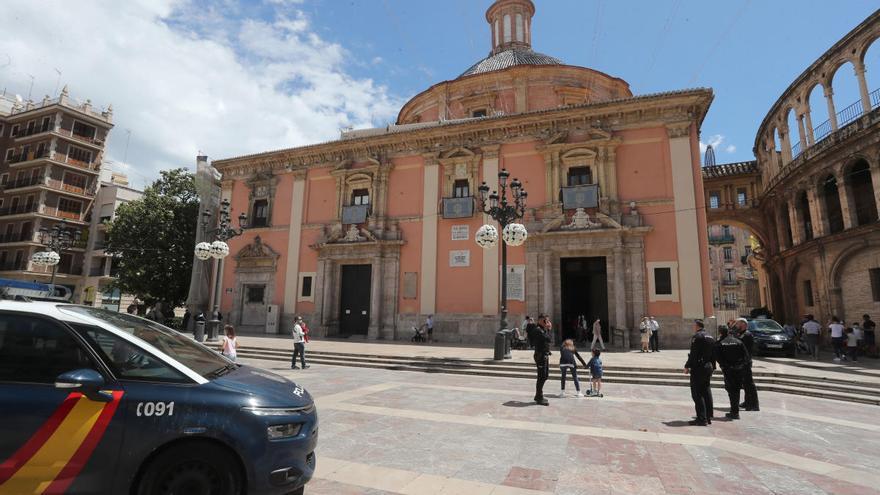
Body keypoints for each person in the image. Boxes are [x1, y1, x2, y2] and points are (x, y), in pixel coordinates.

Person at [714, 326, 750, 420]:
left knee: (731, 390)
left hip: (728, 371)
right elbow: (746, 356)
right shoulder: (738, 342)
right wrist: (741, 366)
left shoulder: (720, 343)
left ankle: (734, 412)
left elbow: (718, 357)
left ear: (721, 333)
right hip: (739, 370)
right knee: (736, 390)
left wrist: (725, 366)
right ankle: (735, 411)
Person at [684, 319, 715, 426]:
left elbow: (694, 354)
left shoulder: (697, 337)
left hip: (699, 367)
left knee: (697, 393)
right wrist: (713, 366)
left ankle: (701, 418)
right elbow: (713, 354)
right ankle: (709, 416)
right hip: (708, 366)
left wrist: (687, 365)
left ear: (697, 326)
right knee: (706, 391)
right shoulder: (710, 337)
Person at [526, 313, 552, 406]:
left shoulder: (541, 330)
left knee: (545, 376)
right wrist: (548, 330)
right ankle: (539, 396)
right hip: (540, 356)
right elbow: (548, 339)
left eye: (548, 321)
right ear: (541, 320)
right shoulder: (539, 330)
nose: (547, 322)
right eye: (546, 320)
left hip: (544, 355)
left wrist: (547, 329)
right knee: (541, 377)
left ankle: (539, 395)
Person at [734, 318, 759, 411]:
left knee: (749, 384)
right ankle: (747, 401)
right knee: (745, 384)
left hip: (746, 362)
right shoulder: (741, 334)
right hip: (742, 362)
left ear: (743, 325)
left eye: (738, 324)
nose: (736, 326)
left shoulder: (747, 335)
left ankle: (754, 404)